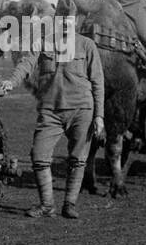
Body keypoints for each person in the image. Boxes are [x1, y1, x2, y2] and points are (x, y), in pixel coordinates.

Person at [8, 24, 105, 220]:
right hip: (50, 110)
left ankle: (69, 204)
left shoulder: (87, 45)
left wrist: (99, 116)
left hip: (82, 109)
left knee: (78, 159)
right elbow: (26, 63)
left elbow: (98, 81)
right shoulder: (44, 42)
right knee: (39, 155)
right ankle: (47, 205)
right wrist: (12, 81)